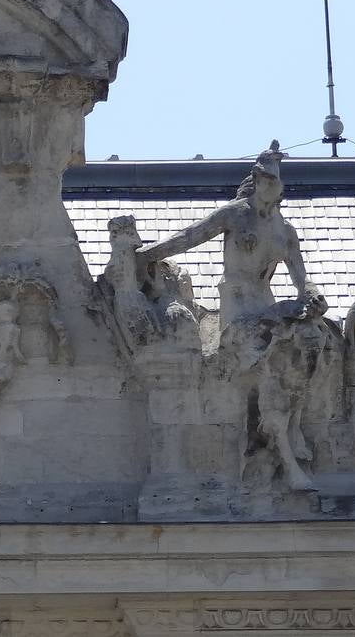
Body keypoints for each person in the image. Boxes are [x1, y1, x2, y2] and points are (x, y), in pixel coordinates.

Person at [135, 141, 333, 491]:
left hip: (267, 305)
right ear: (256, 180)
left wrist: (313, 296)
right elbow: (190, 236)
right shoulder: (235, 214)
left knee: (314, 336)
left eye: (276, 181)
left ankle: (293, 420)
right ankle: (286, 455)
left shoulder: (284, 232)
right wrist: (147, 255)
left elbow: (302, 279)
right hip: (238, 311)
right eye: (267, 179)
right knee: (271, 357)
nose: (272, 187)